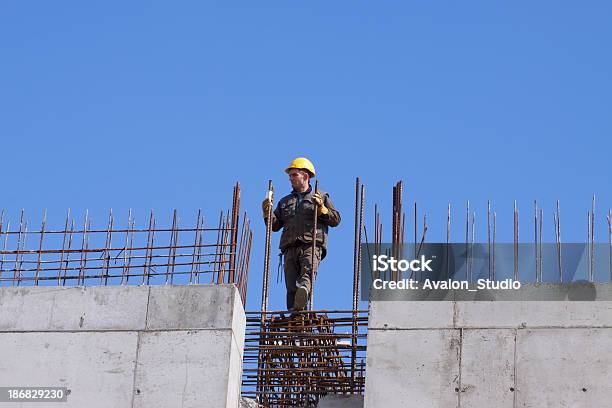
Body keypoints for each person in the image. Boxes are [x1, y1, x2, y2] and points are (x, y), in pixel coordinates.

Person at [262, 158, 341, 311]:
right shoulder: (285, 202)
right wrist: (267, 212)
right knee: (291, 287)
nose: (290, 178)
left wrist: (322, 209)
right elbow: (274, 226)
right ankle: (295, 315)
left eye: (294, 175)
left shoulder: (321, 196)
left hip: (311, 245)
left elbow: (336, 219)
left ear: (305, 176)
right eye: (290, 176)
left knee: (306, 276)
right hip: (289, 247)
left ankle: (303, 294)